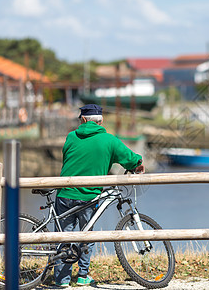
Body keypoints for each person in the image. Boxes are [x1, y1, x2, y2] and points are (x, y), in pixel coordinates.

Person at [54, 104, 144, 287]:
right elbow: (131, 158)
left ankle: (62, 281)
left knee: (64, 237)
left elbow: (68, 159)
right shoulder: (109, 140)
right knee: (87, 236)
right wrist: (138, 165)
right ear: (101, 121)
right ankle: (82, 276)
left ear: (84, 119)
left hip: (65, 193)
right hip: (89, 196)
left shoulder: (71, 137)